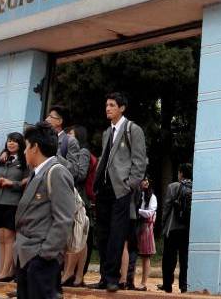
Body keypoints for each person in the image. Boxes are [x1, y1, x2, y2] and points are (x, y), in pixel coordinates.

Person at [91, 91, 147, 293]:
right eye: (106, 105)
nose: (108, 108)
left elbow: (140, 161)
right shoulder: (108, 132)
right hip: (104, 189)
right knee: (102, 234)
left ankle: (114, 278)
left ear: (122, 108)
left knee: (117, 234)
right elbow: (104, 159)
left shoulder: (133, 129)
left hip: (121, 189)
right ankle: (104, 277)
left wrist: (130, 185)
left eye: (112, 105)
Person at [14, 122, 76, 299]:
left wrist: (45, 255)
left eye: (26, 147)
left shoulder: (56, 172)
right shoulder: (36, 173)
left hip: (40, 259)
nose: (24, 152)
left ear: (35, 147)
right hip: (26, 255)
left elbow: (64, 219)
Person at [0, 132, 28, 283]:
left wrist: (12, 183)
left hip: (13, 202)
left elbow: (27, 180)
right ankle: (0, 270)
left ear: (20, 144)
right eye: (9, 141)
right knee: (1, 238)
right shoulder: (3, 160)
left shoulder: (23, 161)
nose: (11, 144)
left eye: (15, 141)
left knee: (10, 238)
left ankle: (7, 271)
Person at [62, 125, 96, 288]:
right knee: (77, 238)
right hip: (74, 198)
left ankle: (74, 274)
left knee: (79, 238)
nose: (68, 136)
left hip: (80, 199)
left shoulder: (83, 152)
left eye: (71, 134)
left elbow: (80, 174)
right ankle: (75, 275)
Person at [158, 163, 192, 294]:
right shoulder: (194, 188)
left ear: (181, 173)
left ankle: (167, 285)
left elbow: (166, 207)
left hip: (173, 228)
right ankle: (183, 286)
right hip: (187, 229)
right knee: (184, 258)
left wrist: (163, 223)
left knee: (169, 258)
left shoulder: (173, 187)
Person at [45, 105, 88, 183]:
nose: (46, 119)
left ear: (60, 121)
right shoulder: (44, 139)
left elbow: (74, 171)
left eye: (51, 117)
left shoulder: (70, 141)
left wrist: (54, 155)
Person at [133, 177, 157, 291]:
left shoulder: (152, 197)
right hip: (135, 225)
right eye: (144, 179)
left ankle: (143, 283)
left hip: (145, 227)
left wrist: (137, 210)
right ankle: (129, 280)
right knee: (132, 254)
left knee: (145, 256)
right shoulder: (136, 194)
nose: (146, 181)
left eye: (148, 179)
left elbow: (150, 213)